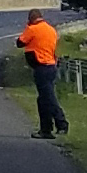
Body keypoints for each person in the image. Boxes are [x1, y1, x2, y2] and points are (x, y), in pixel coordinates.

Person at [17, 11, 68, 139]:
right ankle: (46, 129)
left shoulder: (33, 29)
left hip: (41, 67)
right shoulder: (51, 30)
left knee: (48, 97)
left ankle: (61, 122)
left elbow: (20, 42)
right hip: (51, 65)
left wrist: (28, 27)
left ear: (31, 19)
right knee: (43, 99)